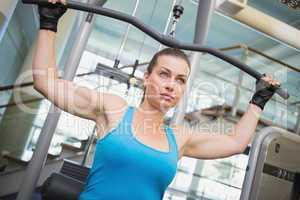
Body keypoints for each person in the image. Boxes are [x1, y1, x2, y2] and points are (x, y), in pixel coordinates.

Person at [32, 1, 281, 200]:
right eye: (164, 74)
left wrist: (258, 101)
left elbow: (236, 142)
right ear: (146, 78)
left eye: (181, 80)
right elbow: (47, 84)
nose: (172, 84)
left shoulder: (180, 138)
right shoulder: (114, 109)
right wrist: (49, 23)